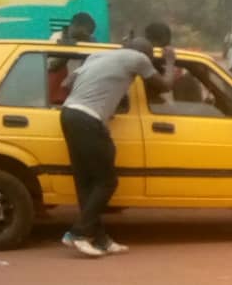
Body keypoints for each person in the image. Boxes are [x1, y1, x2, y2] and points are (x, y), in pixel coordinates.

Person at [60, 39, 176, 257]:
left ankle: (100, 239)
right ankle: (77, 233)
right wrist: (170, 61)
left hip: (69, 114)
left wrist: (99, 101)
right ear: (146, 54)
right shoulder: (138, 58)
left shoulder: (98, 56)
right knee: (107, 181)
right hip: (88, 120)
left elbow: (66, 84)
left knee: (87, 182)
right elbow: (166, 85)